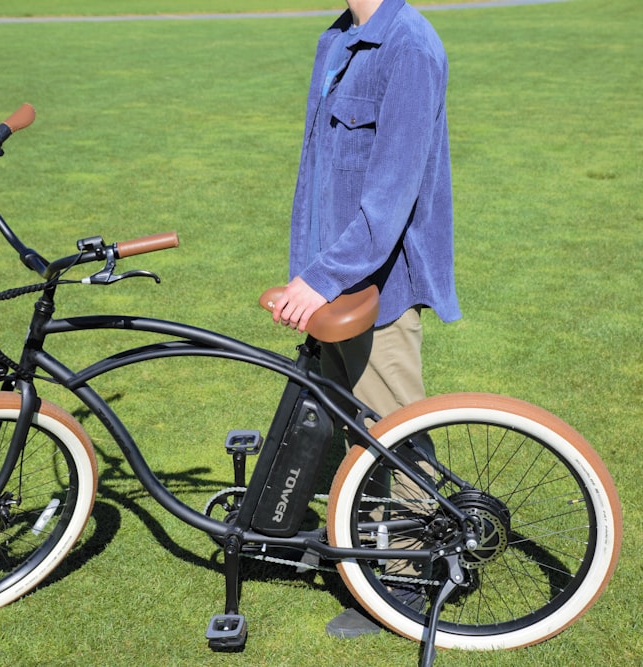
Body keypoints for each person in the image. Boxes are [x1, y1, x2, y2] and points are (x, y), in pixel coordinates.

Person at [271, 0, 461, 638]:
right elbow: (319, 172)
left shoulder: (407, 46)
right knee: (352, 423)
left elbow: (390, 194)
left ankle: (406, 580)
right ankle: (349, 539)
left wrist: (320, 278)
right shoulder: (341, 36)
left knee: (393, 432)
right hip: (334, 278)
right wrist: (312, 276)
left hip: (379, 284)